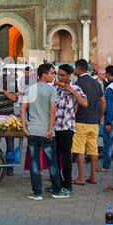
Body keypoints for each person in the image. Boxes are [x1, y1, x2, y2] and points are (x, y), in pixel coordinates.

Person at [20, 63, 69, 200]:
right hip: (46, 132)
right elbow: (53, 111)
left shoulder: (30, 89)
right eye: (52, 73)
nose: (54, 75)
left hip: (33, 131)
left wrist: (24, 127)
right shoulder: (51, 90)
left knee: (34, 163)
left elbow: (23, 109)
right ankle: (57, 190)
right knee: (52, 162)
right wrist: (50, 130)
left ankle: (37, 193)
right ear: (44, 75)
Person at [44, 64, 87, 195]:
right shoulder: (55, 88)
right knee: (54, 157)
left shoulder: (76, 88)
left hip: (67, 128)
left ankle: (67, 185)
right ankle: (56, 183)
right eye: (59, 74)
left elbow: (85, 103)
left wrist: (72, 91)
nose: (60, 77)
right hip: (54, 127)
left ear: (69, 76)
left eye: (63, 75)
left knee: (65, 157)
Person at [71, 59, 105, 185]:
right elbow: (103, 101)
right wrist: (100, 117)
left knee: (80, 150)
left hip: (81, 120)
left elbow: (77, 104)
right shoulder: (96, 83)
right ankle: (93, 176)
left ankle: (80, 177)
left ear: (78, 69)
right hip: (94, 121)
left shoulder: (78, 83)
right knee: (93, 150)